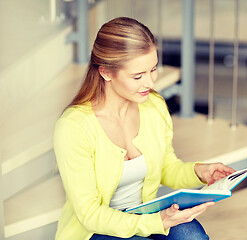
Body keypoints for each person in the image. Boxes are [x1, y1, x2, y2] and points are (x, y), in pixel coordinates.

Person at [54, 17, 235, 240]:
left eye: (153, 70)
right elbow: (90, 214)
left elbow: (166, 167)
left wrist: (199, 172)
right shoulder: (74, 127)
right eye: (138, 76)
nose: (150, 83)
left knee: (192, 237)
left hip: (145, 212)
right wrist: (156, 222)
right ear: (106, 72)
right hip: (96, 230)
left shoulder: (154, 106)